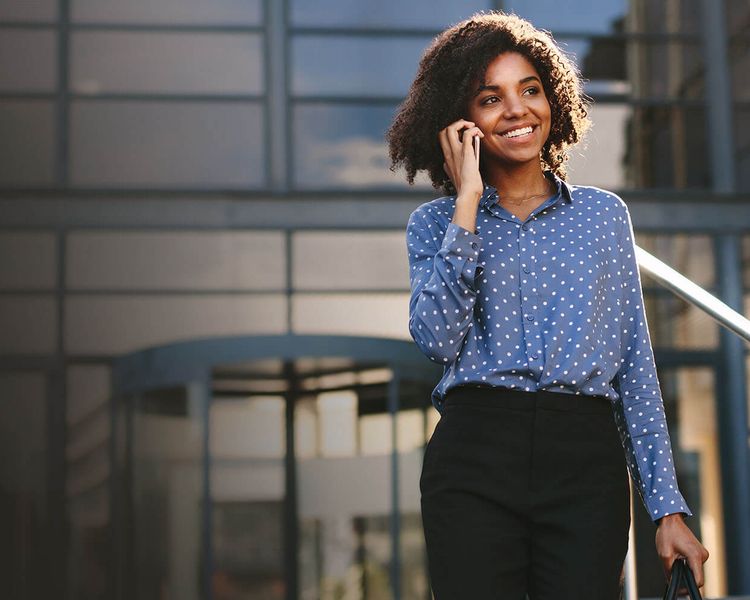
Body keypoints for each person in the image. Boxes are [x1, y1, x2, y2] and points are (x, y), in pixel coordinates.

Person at [386, 11, 709, 600]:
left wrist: (668, 509)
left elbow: (635, 366)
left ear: (553, 99)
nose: (517, 110)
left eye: (530, 90)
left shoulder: (602, 217)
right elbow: (434, 339)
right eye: (491, 98)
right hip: (475, 455)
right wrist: (467, 204)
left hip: (583, 458)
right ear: (459, 121)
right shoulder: (435, 224)